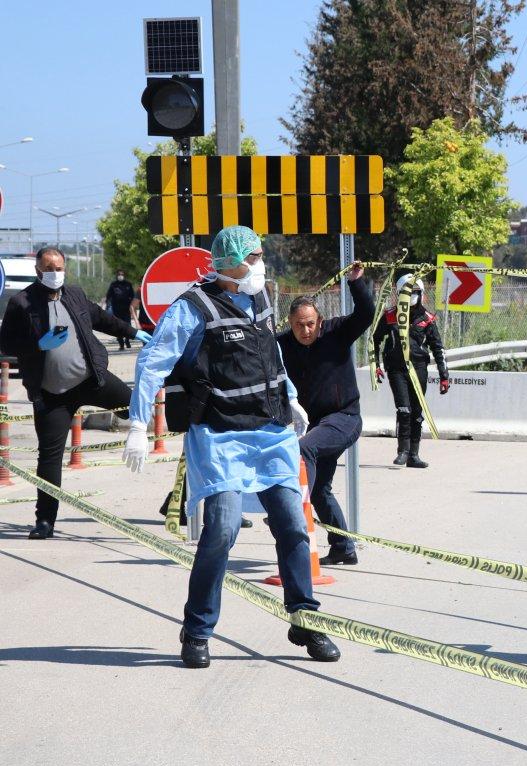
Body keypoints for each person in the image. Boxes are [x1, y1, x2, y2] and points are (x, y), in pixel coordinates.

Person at [122, 225, 340, 669]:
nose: (262, 264)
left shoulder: (260, 297)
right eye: (254, 257)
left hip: (271, 432)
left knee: (293, 526)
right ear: (230, 263)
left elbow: (271, 356)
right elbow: (151, 363)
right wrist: (139, 424)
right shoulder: (192, 308)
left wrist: (292, 398)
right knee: (221, 530)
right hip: (221, 437)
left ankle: (305, 620)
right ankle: (197, 630)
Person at [0, 247, 147, 539]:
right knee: (49, 458)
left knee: (137, 407)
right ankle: (45, 521)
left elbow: (101, 319)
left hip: (90, 379)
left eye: (59, 268)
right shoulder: (22, 303)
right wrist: (37, 344)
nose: (55, 274)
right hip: (51, 393)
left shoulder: (75, 295)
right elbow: (6, 343)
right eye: (49, 269)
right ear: (38, 271)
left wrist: (134, 332)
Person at [277, 261, 374, 567]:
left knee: (303, 449)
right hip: (315, 424)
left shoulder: (336, 332)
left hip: (345, 418)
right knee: (319, 488)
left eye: (310, 324)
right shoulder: (282, 345)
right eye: (299, 325)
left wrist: (356, 283)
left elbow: (366, 313)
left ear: (320, 320)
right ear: (290, 323)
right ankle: (344, 547)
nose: (305, 331)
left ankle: (292, 509)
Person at [373, 276, 449, 468]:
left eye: (415, 292)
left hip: (419, 369)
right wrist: (376, 365)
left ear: (421, 294)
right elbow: (374, 339)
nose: (411, 296)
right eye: (407, 292)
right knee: (403, 409)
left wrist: (444, 375)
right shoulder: (390, 316)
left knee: (416, 412)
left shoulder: (427, 319)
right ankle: (403, 451)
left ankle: (414, 455)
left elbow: (438, 348)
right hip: (396, 369)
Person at [104, 269, 136, 350]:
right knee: (117, 326)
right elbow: (109, 296)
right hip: (116, 310)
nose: (120, 276)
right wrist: (107, 305)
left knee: (127, 325)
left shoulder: (128, 284)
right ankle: (121, 344)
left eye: (122, 274)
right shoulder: (113, 285)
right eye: (119, 274)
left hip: (126, 309)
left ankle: (127, 340)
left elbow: (133, 296)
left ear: (124, 276)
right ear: (117, 275)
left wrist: (132, 307)